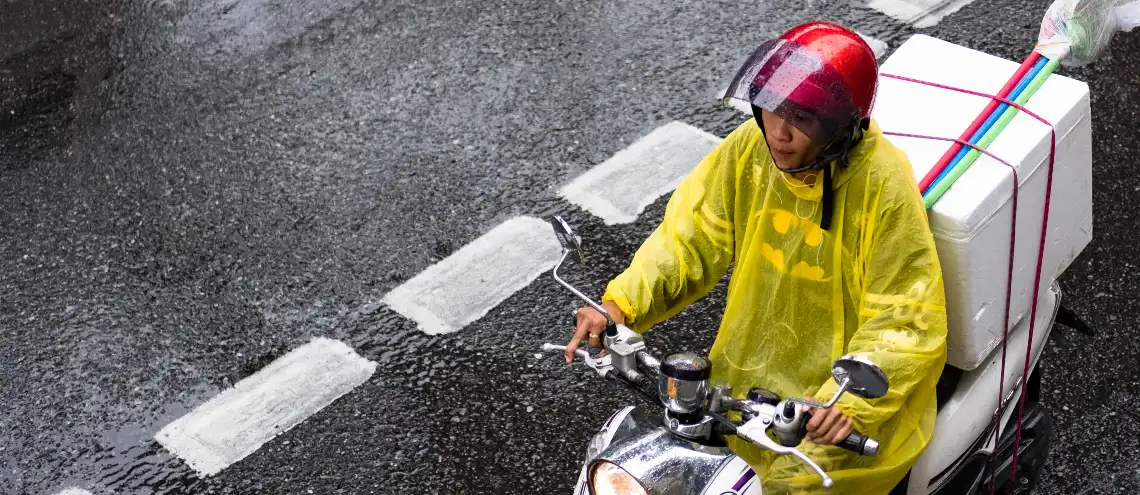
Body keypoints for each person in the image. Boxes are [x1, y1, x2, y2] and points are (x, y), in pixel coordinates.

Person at [563, 21, 948, 494]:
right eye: (772, 109)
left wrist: (846, 407)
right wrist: (621, 305)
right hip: (743, 389)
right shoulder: (752, 150)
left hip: (833, 411)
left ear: (840, 129)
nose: (780, 133)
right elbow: (690, 237)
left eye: (803, 120)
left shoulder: (883, 186)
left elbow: (904, 315)